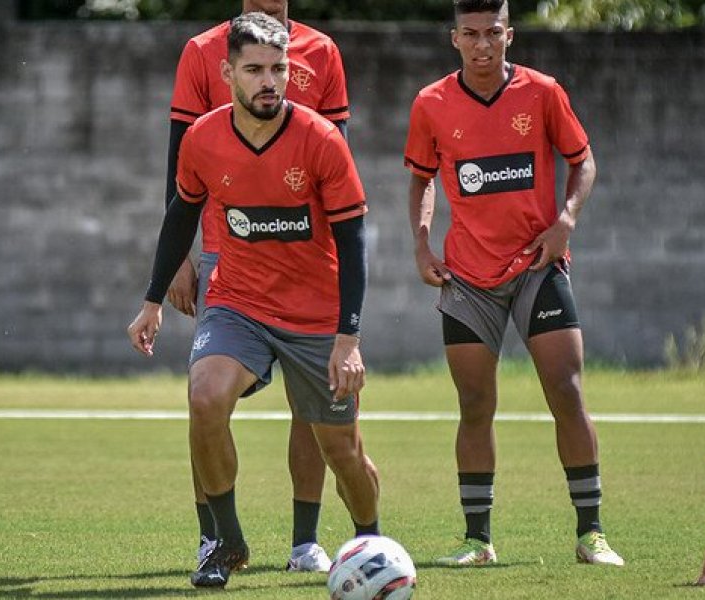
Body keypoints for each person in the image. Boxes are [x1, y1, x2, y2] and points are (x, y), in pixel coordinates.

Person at [129, 12, 381, 588]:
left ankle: (373, 540)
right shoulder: (204, 138)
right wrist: (152, 301)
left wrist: (349, 339)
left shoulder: (321, 140)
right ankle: (225, 540)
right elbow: (181, 217)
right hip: (237, 302)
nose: (269, 81)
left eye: (278, 69)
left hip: (316, 316)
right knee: (205, 396)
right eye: (255, 70)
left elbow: (353, 243)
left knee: (346, 457)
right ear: (229, 73)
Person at [403, 0, 624, 567]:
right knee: (474, 403)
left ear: (510, 35)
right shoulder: (430, 103)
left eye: (493, 33)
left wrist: (566, 220)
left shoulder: (542, 92)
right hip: (467, 276)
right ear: (454, 38)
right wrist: (422, 242)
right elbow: (421, 180)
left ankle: (591, 533)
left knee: (568, 391)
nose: (483, 44)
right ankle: (478, 540)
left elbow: (584, 161)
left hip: (535, 266)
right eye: (471, 34)